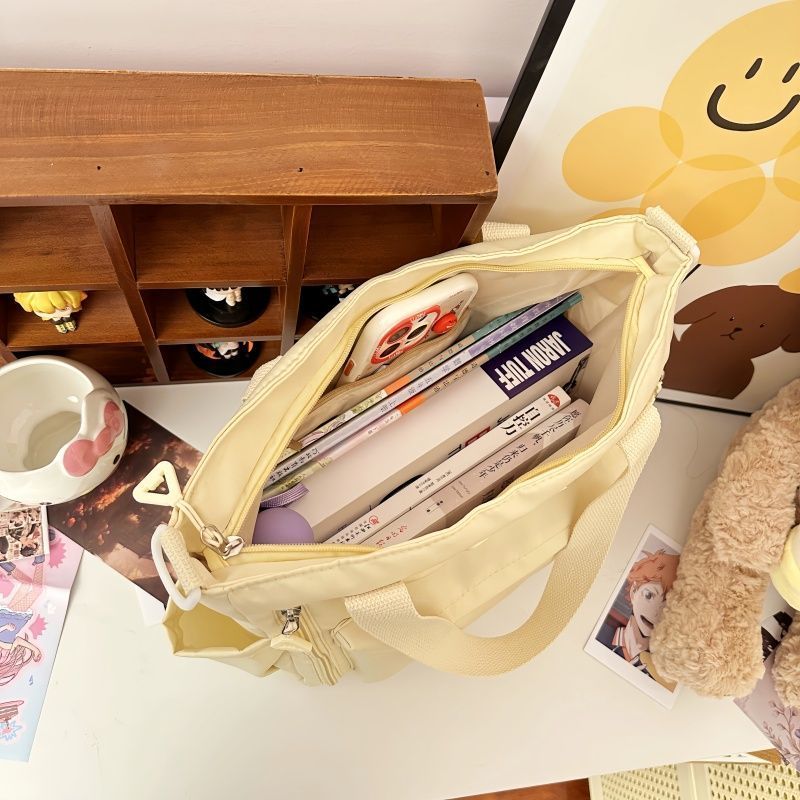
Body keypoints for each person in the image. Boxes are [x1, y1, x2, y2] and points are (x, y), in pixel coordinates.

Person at [611, 549, 679, 679]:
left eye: (668, 606)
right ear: (633, 591)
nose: (656, 612)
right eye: (649, 595)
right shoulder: (603, 635)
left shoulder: (664, 671)